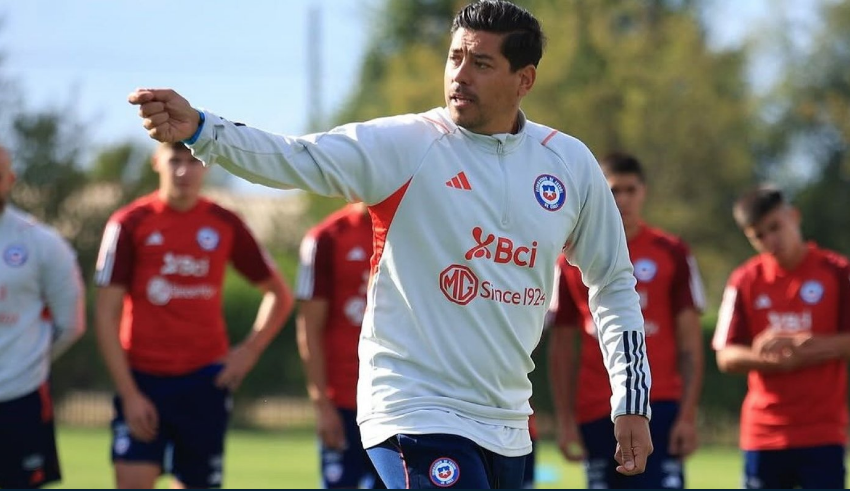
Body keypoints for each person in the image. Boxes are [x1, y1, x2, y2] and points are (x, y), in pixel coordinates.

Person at [128, 1, 653, 487]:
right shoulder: (408, 144)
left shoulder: (568, 164)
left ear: (525, 79)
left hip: (507, 421)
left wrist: (632, 400)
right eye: (455, 57)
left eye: (481, 64)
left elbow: (612, 282)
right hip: (413, 406)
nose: (460, 75)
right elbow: (296, 157)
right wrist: (203, 130)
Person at [93, 141, 294, 489]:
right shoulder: (129, 223)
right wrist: (129, 393)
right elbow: (105, 313)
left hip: (204, 382)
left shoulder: (224, 222)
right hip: (143, 381)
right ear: (157, 162)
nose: (184, 170)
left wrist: (248, 351)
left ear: (208, 166)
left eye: (194, 160)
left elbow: (280, 295)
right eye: (175, 160)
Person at [548, 152, 706, 489]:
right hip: (596, 407)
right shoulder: (570, 259)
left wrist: (687, 416)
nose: (622, 200)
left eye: (630, 190)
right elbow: (562, 347)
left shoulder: (672, 252)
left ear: (643, 191)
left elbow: (690, 344)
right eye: (613, 191)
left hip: (660, 405)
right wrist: (565, 420)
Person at [712, 185, 850, 489]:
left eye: (775, 227)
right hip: (763, 433)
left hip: (822, 432)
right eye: (759, 236)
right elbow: (725, 355)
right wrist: (770, 360)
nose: (770, 240)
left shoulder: (839, 272)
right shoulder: (743, 280)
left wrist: (802, 345)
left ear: (794, 216)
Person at [0, 144, 86, 488]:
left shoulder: (42, 242)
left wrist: (28, 361)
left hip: (20, 398)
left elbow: (71, 324)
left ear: (10, 179)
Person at [295, 202, 384, 489]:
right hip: (344, 402)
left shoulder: (413, 229)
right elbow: (309, 328)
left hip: (397, 400)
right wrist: (322, 404)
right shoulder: (326, 237)